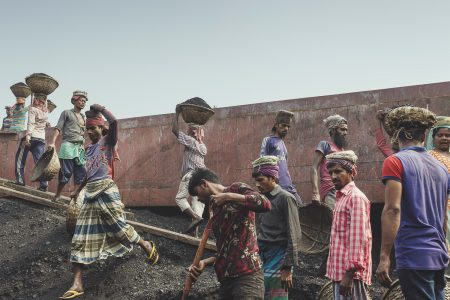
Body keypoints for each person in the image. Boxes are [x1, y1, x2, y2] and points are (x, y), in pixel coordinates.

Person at [59, 104, 159, 299]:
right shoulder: (87, 150)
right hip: (90, 193)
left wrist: (101, 108)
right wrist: (77, 191)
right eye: (87, 129)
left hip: (107, 189)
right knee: (80, 235)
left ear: (100, 128)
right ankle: (77, 284)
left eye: (93, 128)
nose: (89, 132)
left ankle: (146, 244)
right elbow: (88, 175)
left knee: (118, 227)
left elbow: (114, 122)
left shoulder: (108, 142)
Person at [376, 106, 449, 300]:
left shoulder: (395, 161)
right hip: (438, 253)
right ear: (424, 136)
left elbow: (393, 209)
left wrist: (384, 257)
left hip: (414, 254)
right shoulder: (441, 168)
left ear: (399, 134)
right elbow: (443, 218)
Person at [186, 168, 271, 300]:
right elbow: (225, 249)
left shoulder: (236, 188)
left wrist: (227, 196)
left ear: (204, 183)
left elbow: (265, 203)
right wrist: (204, 262)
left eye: (197, 194)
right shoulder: (214, 209)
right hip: (226, 281)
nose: (198, 199)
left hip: (247, 278)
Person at [252, 156, 301, 299]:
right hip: (261, 253)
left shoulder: (285, 198)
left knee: (275, 295)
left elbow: (294, 233)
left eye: (261, 180)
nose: (257, 184)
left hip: (279, 254)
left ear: (273, 177)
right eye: (256, 181)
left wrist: (287, 267)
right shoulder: (261, 199)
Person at [325, 150, 372, 299]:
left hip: (350, 275)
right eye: (331, 172)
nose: (333, 176)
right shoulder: (341, 198)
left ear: (352, 172)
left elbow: (358, 239)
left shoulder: (356, 198)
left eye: (338, 171)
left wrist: (349, 274)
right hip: (339, 272)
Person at [172, 101, 208, 233]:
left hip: (191, 175)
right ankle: (196, 235)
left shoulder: (191, 141)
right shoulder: (203, 147)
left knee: (180, 198)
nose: (186, 131)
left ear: (193, 132)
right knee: (197, 202)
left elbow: (174, 131)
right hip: (201, 177)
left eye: (188, 130)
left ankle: (195, 218)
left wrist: (177, 113)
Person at [48, 91, 88, 201]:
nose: (83, 102)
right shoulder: (66, 113)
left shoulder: (84, 117)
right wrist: (52, 142)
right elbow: (58, 128)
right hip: (68, 146)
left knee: (81, 173)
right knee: (65, 173)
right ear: (74, 100)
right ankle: (57, 195)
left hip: (80, 148)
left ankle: (75, 198)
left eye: (84, 101)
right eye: (81, 100)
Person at [260, 110, 302, 206]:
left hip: (288, 186)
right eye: (283, 125)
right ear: (276, 125)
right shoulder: (268, 140)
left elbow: (284, 166)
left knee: (300, 208)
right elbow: (262, 162)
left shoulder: (282, 143)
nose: (286, 128)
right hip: (276, 186)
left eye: (288, 126)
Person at [14, 94, 51, 191]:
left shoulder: (33, 109)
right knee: (40, 162)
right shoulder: (46, 112)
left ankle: (20, 181)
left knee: (20, 159)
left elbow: (30, 123)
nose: (33, 100)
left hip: (31, 137)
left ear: (37, 100)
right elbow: (46, 123)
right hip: (41, 139)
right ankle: (44, 185)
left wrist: (28, 137)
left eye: (35, 99)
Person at [311, 114, 348, 208]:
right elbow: (314, 167)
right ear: (334, 130)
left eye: (346, 130)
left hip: (342, 190)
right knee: (332, 220)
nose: (345, 132)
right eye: (342, 129)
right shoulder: (325, 145)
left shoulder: (342, 150)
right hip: (330, 191)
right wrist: (315, 192)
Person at [427, 116, 450, 249]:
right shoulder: (429, 156)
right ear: (433, 137)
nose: (444, 138)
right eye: (440, 135)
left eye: (448, 135)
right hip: (439, 205)